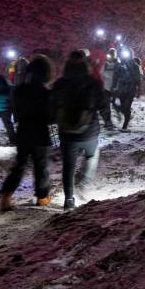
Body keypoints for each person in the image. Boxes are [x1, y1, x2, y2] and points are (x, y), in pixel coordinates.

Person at [52, 50, 107, 210]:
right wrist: (108, 122)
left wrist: (55, 141)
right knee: (92, 156)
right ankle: (83, 183)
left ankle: (69, 200)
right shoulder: (94, 83)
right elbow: (103, 105)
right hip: (89, 133)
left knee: (68, 166)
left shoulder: (59, 84)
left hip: (66, 135)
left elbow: (51, 114)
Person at [0, 55, 54, 210]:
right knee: (41, 167)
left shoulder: (19, 91)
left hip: (23, 132)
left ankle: (6, 196)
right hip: (41, 135)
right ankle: (42, 197)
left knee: (19, 165)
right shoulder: (47, 93)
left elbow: (15, 113)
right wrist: (56, 142)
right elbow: (52, 118)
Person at [112, 55, 142, 131]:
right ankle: (127, 116)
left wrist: (139, 90)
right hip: (122, 89)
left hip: (131, 89)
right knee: (122, 107)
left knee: (127, 107)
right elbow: (115, 76)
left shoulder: (134, 65)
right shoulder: (119, 65)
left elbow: (138, 78)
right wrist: (114, 86)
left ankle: (125, 125)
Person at [100, 48, 119, 129]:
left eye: (111, 55)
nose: (109, 57)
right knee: (106, 106)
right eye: (108, 55)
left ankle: (122, 117)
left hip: (116, 89)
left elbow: (122, 76)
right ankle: (108, 122)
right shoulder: (105, 65)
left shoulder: (119, 65)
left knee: (117, 105)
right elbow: (101, 75)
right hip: (106, 88)